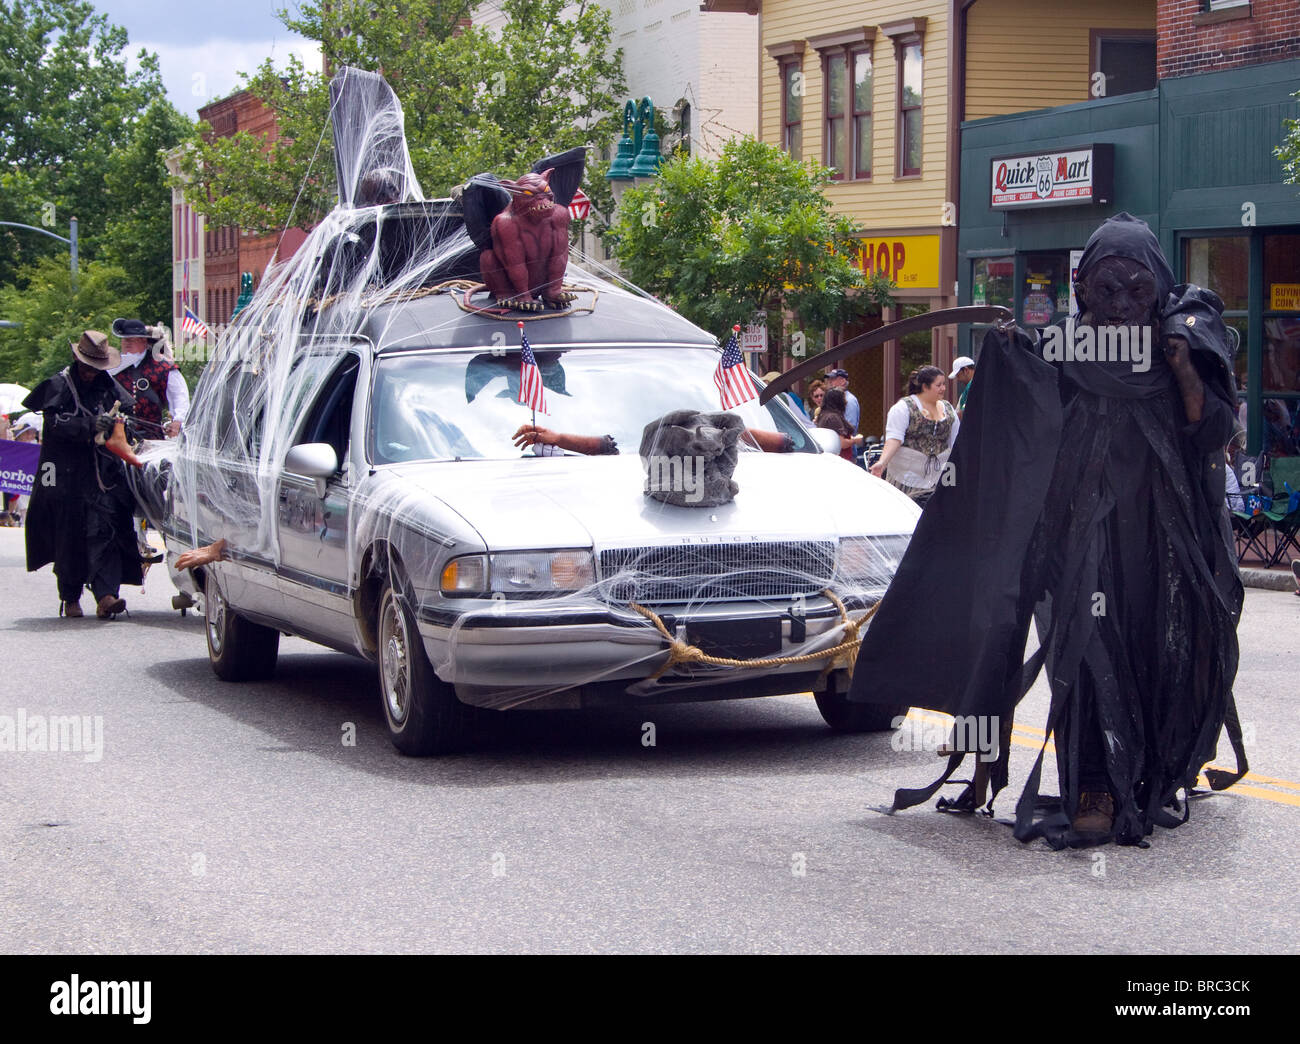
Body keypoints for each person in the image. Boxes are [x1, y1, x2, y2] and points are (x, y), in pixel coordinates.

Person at [849, 213, 1245, 847]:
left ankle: (1155, 771)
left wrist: (1187, 372)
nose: (1119, 306)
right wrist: (1011, 361)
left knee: (1157, 648)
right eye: (1106, 289)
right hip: (1078, 538)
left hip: (1163, 543)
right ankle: (1093, 784)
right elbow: (1019, 430)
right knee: (1088, 654)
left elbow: (1214, 433)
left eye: (1135, 291)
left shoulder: (1187, 342)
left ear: (1158, 288)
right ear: (1082, 289)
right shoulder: (1061, 351)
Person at [21, 331, 145, 618]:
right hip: (63, 473)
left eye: (96, 368)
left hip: (101, 474)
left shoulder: (107, 385)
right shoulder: (58, 385)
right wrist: (90, 424)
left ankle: (106, 595)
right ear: (77, 360)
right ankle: (70, 596)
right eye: (87, 367)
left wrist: (117, 421)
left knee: (107, 527)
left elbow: (126, 408)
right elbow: (54, 425)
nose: (91, 373)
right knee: (68, 532)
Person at [869, 365, 959, 505]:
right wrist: (882, 462)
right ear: (925, 387)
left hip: (941, 475)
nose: (943, 388)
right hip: (907, 476)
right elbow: (894, 439)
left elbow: (956, 441)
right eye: (938, 385)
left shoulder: (947, 408)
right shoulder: (903, 407)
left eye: (943, 384)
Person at [109, 318, 189, 438]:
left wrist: (178, 421)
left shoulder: (164, 368)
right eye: (125, 339)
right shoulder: (110, 367)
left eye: (132, 339)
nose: (127, 343)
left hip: (152, 437)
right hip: (116, 436)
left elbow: (180, 397)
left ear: (144, 341)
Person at [815, 388, 862, 461]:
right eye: (843, 399)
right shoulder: (833, 418)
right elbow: (841, 443)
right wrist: (855, 440)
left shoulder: (824, 415)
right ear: (838, 401)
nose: (846, 402)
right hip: (840, 460)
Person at [824, 368, 859, 434]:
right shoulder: (834, 399)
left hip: (845, 442)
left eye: (833, 379)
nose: (830, 382)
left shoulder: (849, 400)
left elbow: (849, 428)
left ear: (843, 381)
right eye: (829, 379)